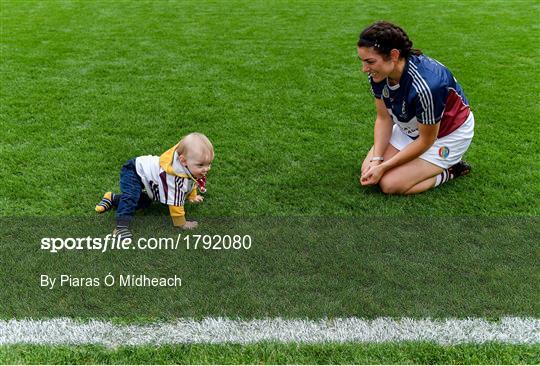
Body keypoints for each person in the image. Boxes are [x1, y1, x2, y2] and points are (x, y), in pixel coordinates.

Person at [357, 21, 474, 194]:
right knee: (368, 169)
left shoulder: (427, 86)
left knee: (391, 185)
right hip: (411, 129)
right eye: (362, 61)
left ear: (394, 55)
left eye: (370, 62)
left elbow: (427, 140)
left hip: (445, 135)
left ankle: (451, 170)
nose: (364, 69)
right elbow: (384, 118)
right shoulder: (379, 74)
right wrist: (376, 160)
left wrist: (385, 166)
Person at [95, 132, 214, 238]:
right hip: (134, 170)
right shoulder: (175, 178)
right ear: (183, 161)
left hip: (144, 174)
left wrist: (192, 196)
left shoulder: (189, 167)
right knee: (131, 197)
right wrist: (181, 223)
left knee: (145, 202)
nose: (206, 169)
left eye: (209, 164)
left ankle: (112, 198)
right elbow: (175, 203)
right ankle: (121, 227)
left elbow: (192, 180)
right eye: (201, 165)